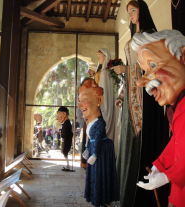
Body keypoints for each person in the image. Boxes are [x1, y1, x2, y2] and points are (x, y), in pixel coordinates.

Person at [111, 1, 168, 206]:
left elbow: (151, 66)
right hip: (132, 96)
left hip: (145, 95)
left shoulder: (150, 34)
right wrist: (123, 91)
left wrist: (126, 71)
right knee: (128, 140)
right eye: (129, 12)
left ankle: (141, 196)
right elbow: (130, 67)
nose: (131, 15)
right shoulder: (133, 36)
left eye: (133, 11)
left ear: (141, 11)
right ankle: (126, 191)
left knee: (142, 140)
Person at [131, 29, 185, 207]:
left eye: (152, 66)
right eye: (144, 71)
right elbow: (177, 142)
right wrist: (160, 165)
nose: (141, 82)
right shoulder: (176, 108)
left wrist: (168, 176)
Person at [79, 78, 119, 207]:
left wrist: (94, 154)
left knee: (99, 176)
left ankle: (101, 198)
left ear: (99, 101)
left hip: (100, 154)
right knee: (94, 176)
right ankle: (96, 197)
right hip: (94, 152)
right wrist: (87, 149)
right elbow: (91, 139)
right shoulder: (91, 122)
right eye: (80, 101)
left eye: (85, 100)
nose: (80, 105)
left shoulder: (99, 123)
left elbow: (96, 139)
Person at [96, 48, 117, 144]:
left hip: (106, 104)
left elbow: (102, 91)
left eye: (100, 56)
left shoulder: (105, 72)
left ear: (105, 56)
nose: (98, 59)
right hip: (111, 104)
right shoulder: (110, 72)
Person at [56, 106, 73, 171]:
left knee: (65, 152)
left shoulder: (67, 123)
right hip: (66, 140)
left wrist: (61, 133)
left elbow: (65, 134)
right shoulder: (66, 123)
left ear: (64, 114)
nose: (57, 118)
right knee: (64, 152)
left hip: (67, 140)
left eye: (59, 115)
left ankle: (68, 165)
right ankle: (67, 165)